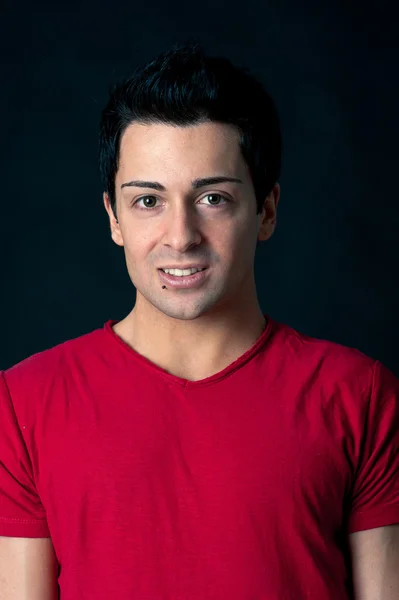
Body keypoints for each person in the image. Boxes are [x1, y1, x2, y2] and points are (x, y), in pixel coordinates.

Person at [0, 42, 398, 600]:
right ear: (113, 217)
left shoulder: (362, 396)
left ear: (266, 211)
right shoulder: (22, 404)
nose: (181, 236)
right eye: (147, 201)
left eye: (212, 197)